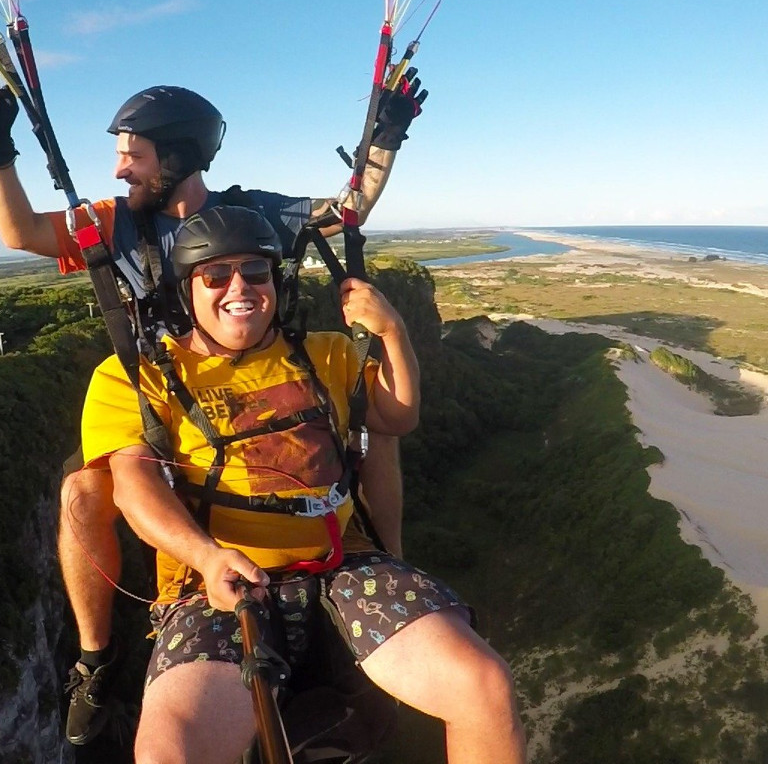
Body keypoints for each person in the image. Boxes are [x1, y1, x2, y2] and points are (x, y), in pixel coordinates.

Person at [0, 72, 426, 744]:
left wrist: (385, 137)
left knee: (372, 431)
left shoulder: (252, 214)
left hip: (254, 391)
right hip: (164, 406)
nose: (122, 167)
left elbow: (347, 206)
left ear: (176, 158)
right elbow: (22, 230)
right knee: (81, 490)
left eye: (136, 154)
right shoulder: (115, 223)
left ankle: (384, 558)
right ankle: (96, 657)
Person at [80, 206, 527, 764]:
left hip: (340, 562)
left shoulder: (325, 353)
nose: (238, 287)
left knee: (483, 686)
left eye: (255, 272)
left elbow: (396, 418)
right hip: (214, 582)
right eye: (215, 276)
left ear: (277, 283)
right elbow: (132, 482)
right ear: (186, 292)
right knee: (169, 753)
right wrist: (207, 556)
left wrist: (392, 330)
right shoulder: (139, 375)